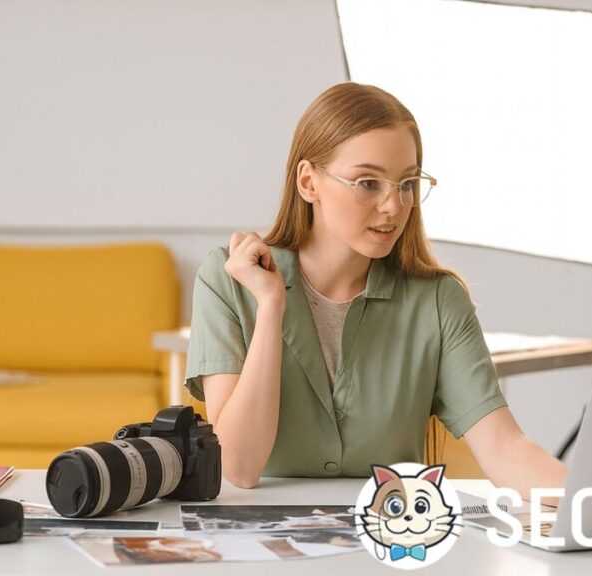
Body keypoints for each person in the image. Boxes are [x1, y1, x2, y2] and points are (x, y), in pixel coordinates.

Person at [185, 82, 567, 499]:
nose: (394, 206)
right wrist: (272, 304)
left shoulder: (438, 301)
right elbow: (239, 466)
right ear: (308, 182)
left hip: (393, 544)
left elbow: (505, 449)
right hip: (264, 552)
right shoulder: (228, 279)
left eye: (406, 184)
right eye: (368, 183)